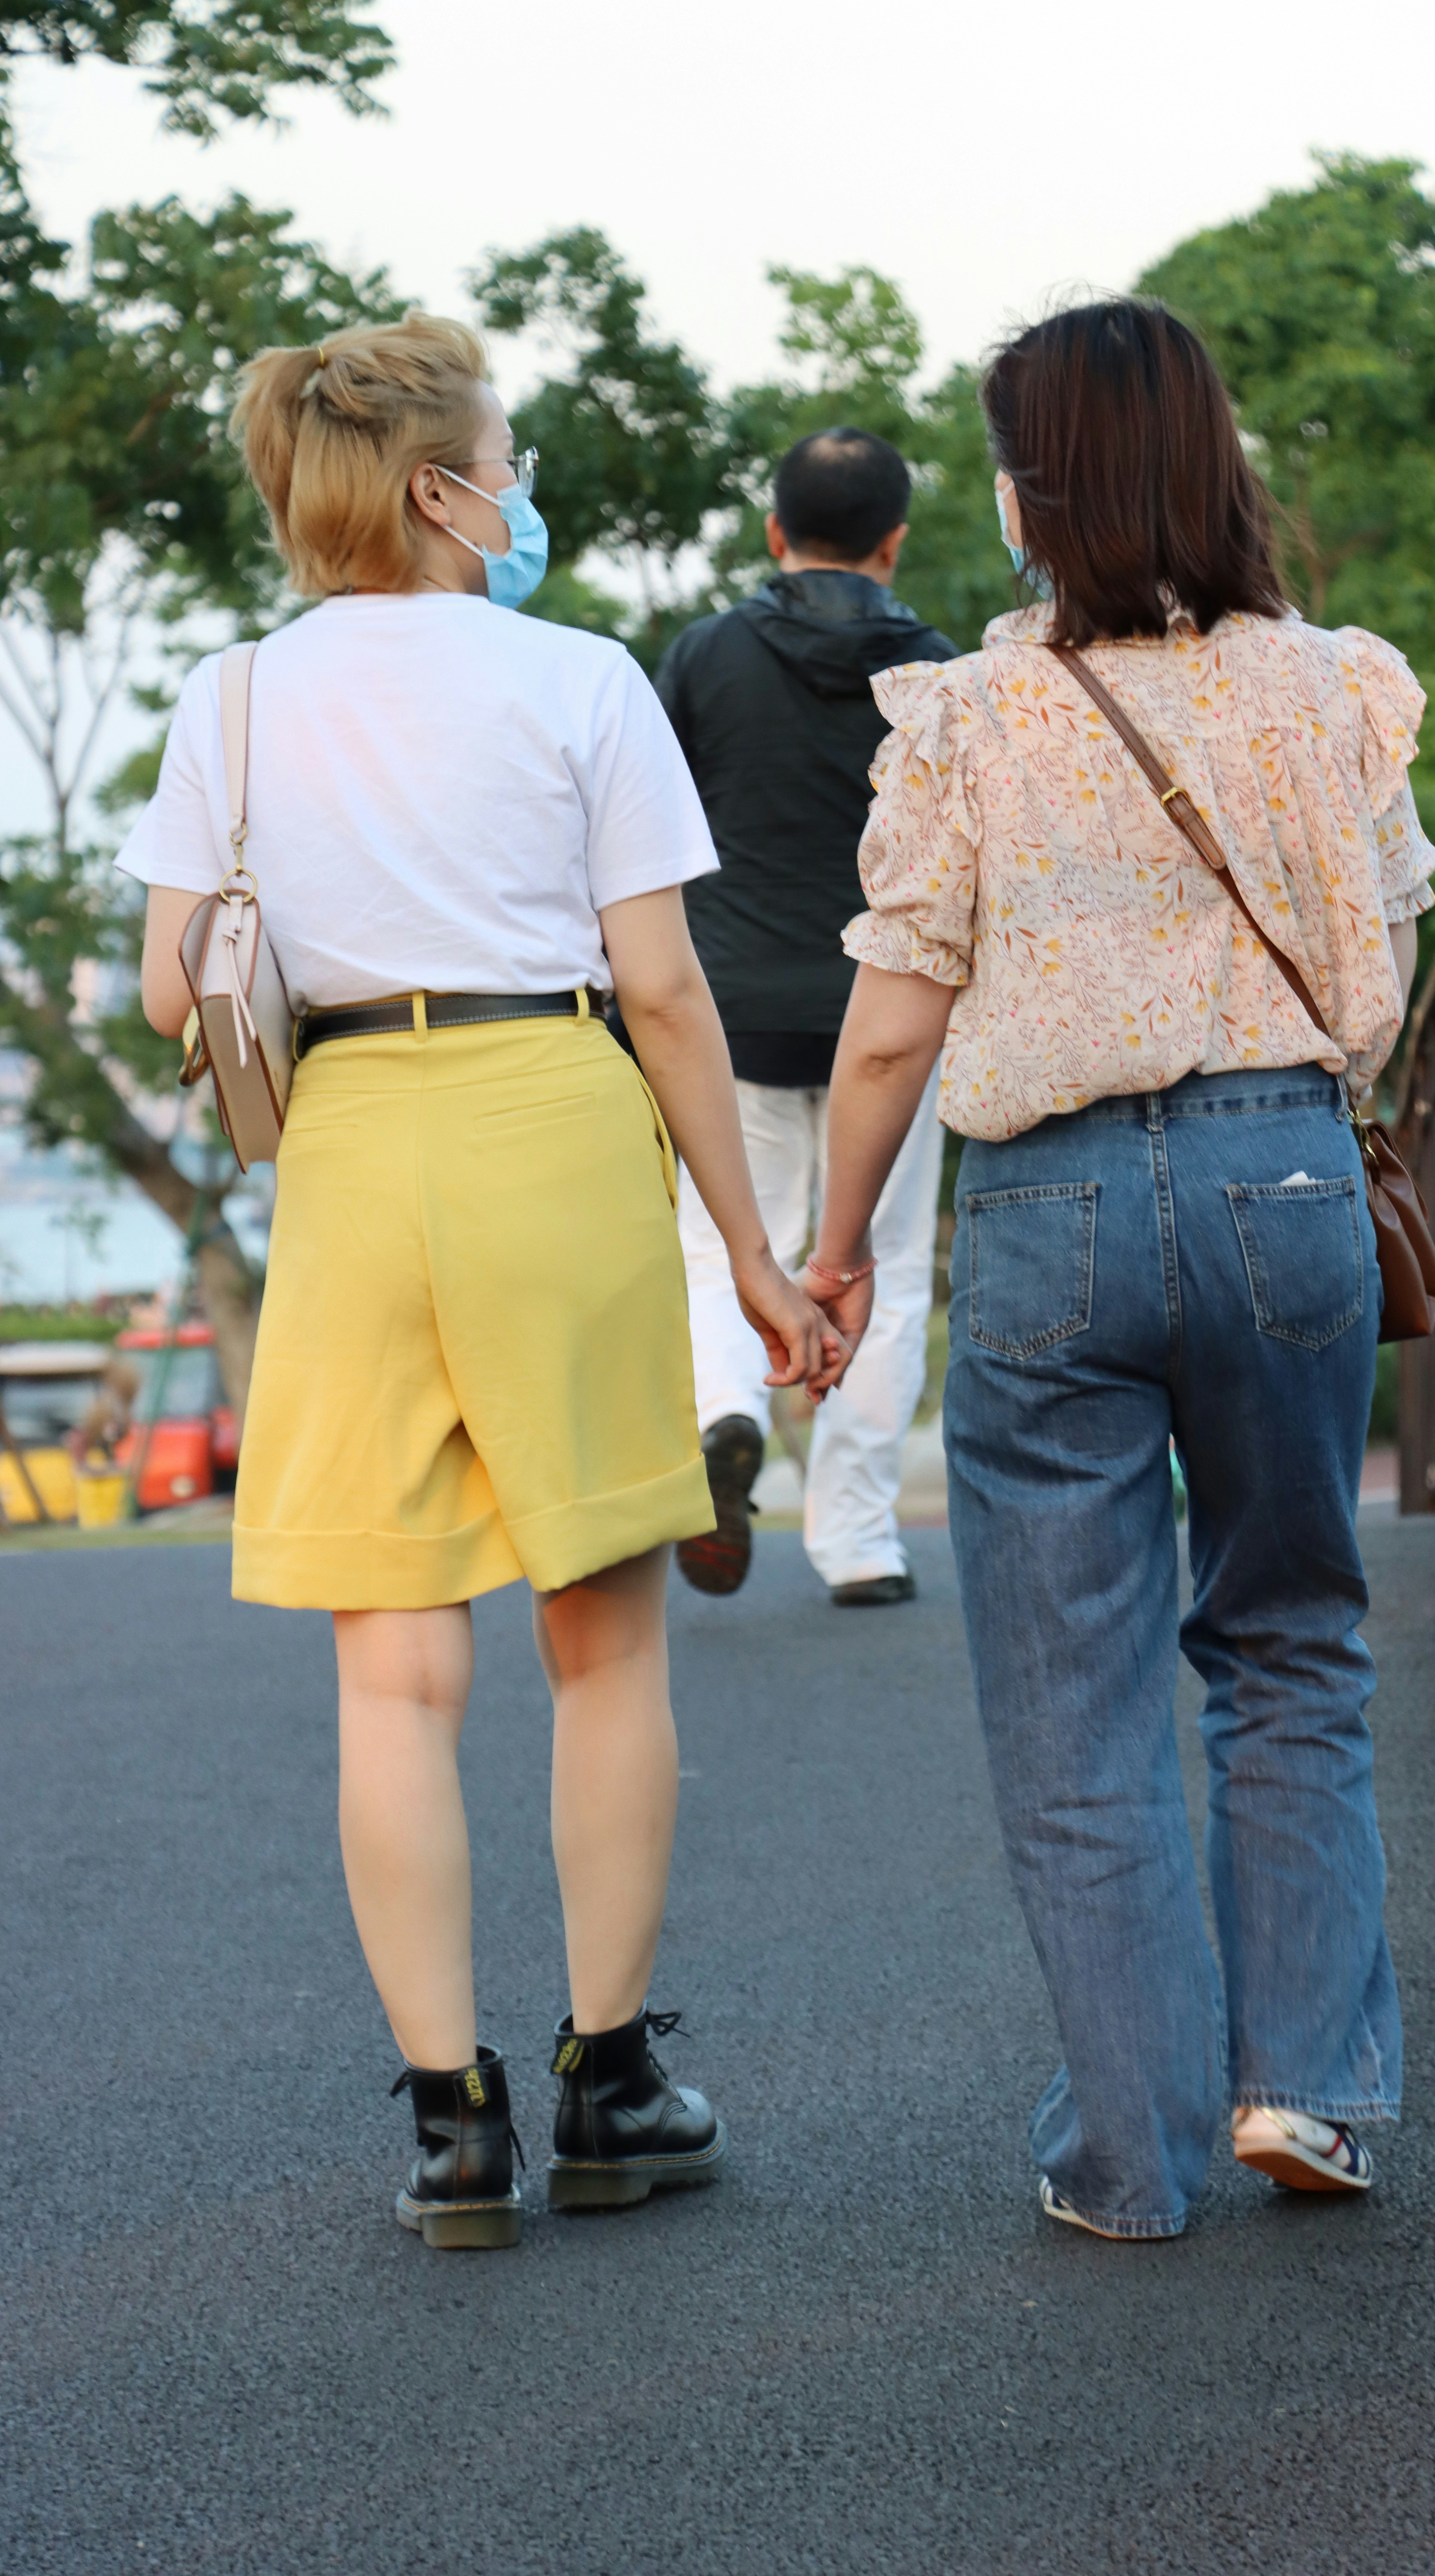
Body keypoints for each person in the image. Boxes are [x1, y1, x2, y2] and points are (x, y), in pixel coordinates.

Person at [122, 315, 846, 2251]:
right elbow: (668, 988)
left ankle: (451, 2124)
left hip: (354, 1145)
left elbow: (168, 985)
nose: (519, 493)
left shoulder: (239, 700)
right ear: (443, 486)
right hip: (549, 1110)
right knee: (598, 1632)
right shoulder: (580, 679)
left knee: (393, 1661)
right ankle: (612, 2080)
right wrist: (759, 1266)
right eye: (506, 462)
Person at [807, 299, 1435, 2240]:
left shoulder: (975, 718)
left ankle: (1130, 2154)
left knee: (1074, 1701)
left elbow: (899, 1024)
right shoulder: (1330, 692)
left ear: (1035, 491)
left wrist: (832, 1253)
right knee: (1292, 1638)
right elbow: (1382, 957)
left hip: (1051, 1209)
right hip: (1283, 1185)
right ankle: (1308, 2094)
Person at [653, 428, 957, 1606]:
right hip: (895, 1014)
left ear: (776, 535)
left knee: (722, 1245)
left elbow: (651, 837)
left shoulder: (704, 657)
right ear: (894, 543)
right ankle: (860, 1539)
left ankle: (727, 1415)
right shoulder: (937, 674)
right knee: (880, 1261)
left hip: (729, 1014)